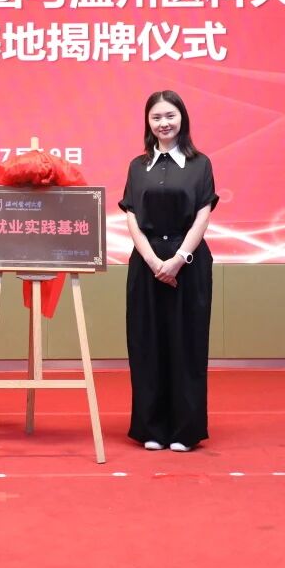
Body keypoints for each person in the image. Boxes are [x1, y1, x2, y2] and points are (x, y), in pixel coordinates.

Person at [118, 90, 219, 452]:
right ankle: (151, 427)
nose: (164, 123)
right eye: (157, 117)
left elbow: (203, 215)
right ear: (148, 122)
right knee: (147, 344)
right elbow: (131, 216)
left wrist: (178, 259)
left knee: (186, 344)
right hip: (146, 264)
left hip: (188, 264)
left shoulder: (200, 164)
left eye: (170, 116)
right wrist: (152, 260)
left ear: (182, 119)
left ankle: (185, 430)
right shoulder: (137, 166)